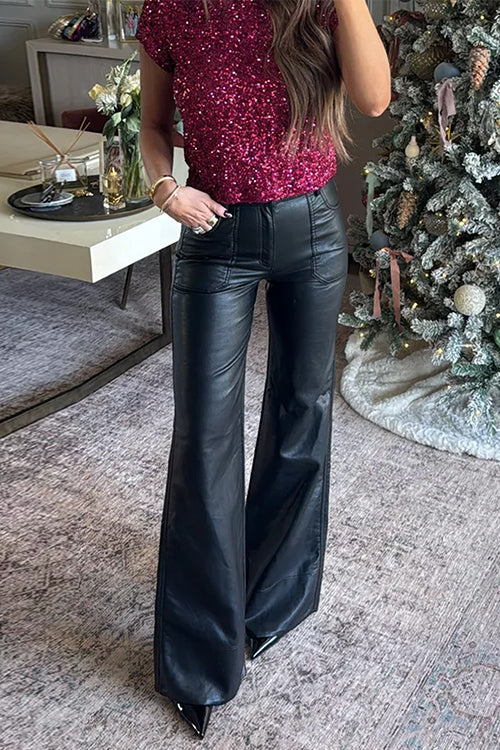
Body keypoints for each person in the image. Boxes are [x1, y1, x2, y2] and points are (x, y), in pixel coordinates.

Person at [135, 0, 390, 739]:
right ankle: (197, 661)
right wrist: (165, 188)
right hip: (215, 236)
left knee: (302, 411)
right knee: (203, 438)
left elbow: (373, 98)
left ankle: (274, 602)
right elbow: (152, 127)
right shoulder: (172, 8)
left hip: (313, 229)